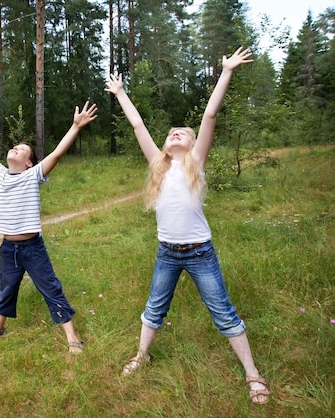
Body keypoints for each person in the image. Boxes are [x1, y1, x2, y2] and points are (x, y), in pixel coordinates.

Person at [105, 46, 270, 404]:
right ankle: (141, 356)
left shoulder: (195, 162)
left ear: (193, 143)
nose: (176, 133)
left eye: (183, 132)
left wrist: (226, 71)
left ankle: (253, 374)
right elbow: (137, 124)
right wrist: (120, 93)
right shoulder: (158, 165)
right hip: (167, 253)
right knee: (154, 308)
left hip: (199, 254)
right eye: (171, 133)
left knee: (223, 313)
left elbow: (209, 115)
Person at [0, 100, 97, 354]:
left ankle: (72, 335)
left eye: (22, 149)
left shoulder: (33, 175)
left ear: (29, 163)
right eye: (14, 146)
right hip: (8, 247)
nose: (15, 148)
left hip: (32, 248)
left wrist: (75, 127)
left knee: (50, 287)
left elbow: (56, 154)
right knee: (6, 286)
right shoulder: (0, 174)